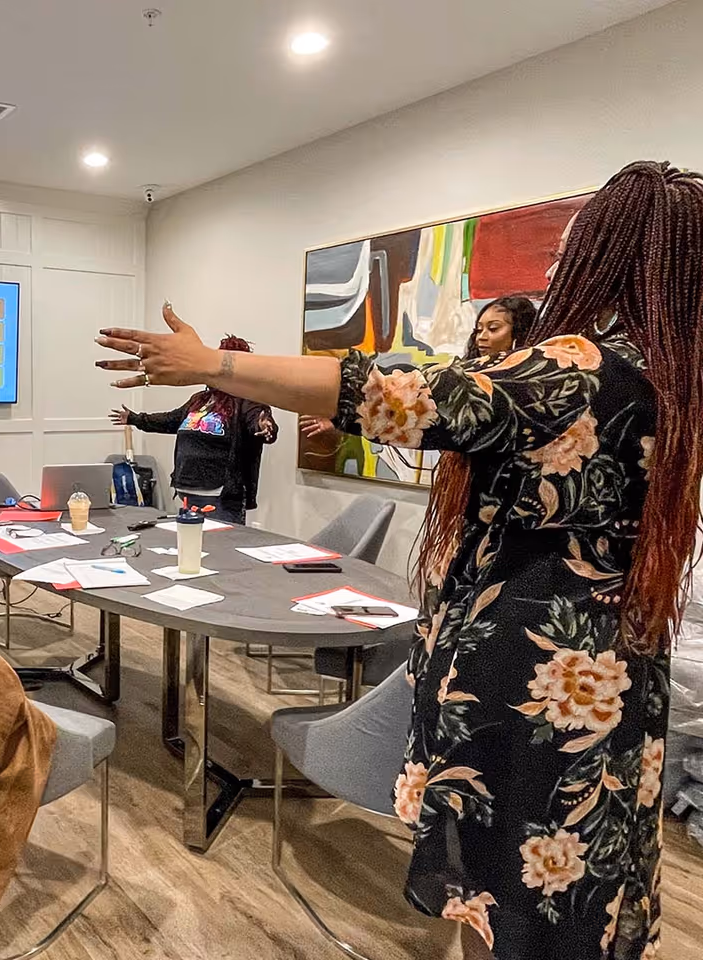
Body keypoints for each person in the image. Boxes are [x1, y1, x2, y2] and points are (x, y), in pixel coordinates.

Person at [95, 161, 703, 960]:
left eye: (573, 244)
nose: (557, 262)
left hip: (534, 676)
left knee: (506, 889)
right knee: (582, 889)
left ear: (609, 252)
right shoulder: (674, 380)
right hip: (620, 670)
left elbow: (399, 394)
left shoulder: (580, 370)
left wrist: (218, 365)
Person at [300, 295, 537, 440]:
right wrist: (345, 418)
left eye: (493, 329)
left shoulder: (526, 387)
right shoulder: (464, 375)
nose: (481, 337)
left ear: (520, 332)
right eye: (478, 329)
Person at [109, 335, 277, 525]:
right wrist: (134, 418)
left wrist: (265, 426)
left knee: (220, 542)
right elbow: (171, 420)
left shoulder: (247, 401)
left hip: (220, 497)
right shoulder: (200, 400)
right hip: (187, 492)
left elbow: (259, 421)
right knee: (189, 541)